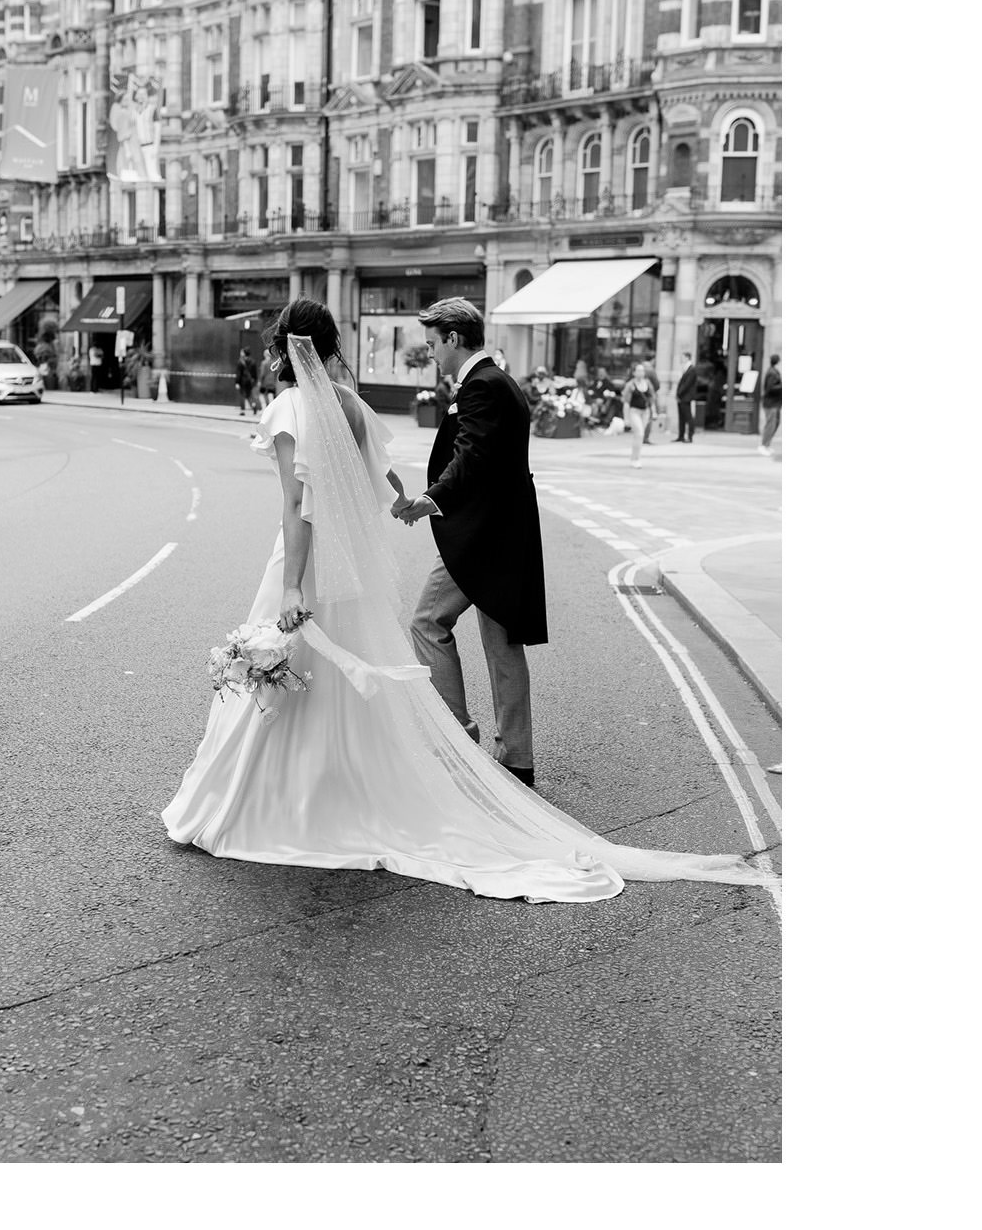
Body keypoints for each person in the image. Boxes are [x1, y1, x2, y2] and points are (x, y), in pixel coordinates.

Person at [161, 297, 766, 903]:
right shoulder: (350, 404)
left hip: (393, 552)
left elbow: (307, 504)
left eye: (273, 345)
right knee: (374, 658)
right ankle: (447, 761)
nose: (268, 356)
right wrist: (404, 498)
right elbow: (380, 473)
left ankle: (419, 754)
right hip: (376, 560)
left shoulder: (308, 407)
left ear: (290, 350)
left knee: (377, 645)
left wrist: (312, 571)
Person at [396, 298, 542, 782]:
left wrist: (428, 499)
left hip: (484, 537)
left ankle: (457, 735)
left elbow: (471, 458)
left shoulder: (483, 387)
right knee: (501, 644)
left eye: (434, 343)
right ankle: (516, 758)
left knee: (426, 622)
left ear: (454, 339)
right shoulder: (497, 382)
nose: (432, 353)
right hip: (502, 532)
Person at [623, 361, 659, 468]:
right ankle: (636, 459)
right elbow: (626, 403)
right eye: (638, 370)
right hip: (634, 411)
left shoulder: (647, 383)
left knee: (639, 435)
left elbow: (652, 399)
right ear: (633, 373)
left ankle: (635, 456)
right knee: (639, 433)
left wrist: (654, 411)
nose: (641, 372)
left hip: (645, 412)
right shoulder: (630, 385)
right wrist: (626, 419)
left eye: (642, 370)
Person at [759, 353, 782, 455]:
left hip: (775, 403)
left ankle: (767, 444)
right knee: (770, 424)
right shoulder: (772, 373)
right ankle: (763, 445)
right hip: (771, 403)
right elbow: (769, 388)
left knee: (775, 423)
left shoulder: (774, 372)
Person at [674, 350, 698, 443]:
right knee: (681, 417)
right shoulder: (684, 368)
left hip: (686, 397)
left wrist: (679, 393)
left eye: (683, 357)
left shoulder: (692, 369)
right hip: (681, 396)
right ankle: (681, 435)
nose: (681, 358)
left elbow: (687, 384)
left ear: (687, 357)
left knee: (688, 417)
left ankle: (690, 436)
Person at [235, 348, 260, 417]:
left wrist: (237, 382)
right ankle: (253, 406)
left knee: (242, 396)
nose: (241, 353)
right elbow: (255, 373)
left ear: (244, 353)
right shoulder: (253, 361)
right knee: (249, 396)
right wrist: (255, 381)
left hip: (242, 381)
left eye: (242, 352)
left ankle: (242, 411)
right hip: (250, 382)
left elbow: (239, 373)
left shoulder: (241, 361)